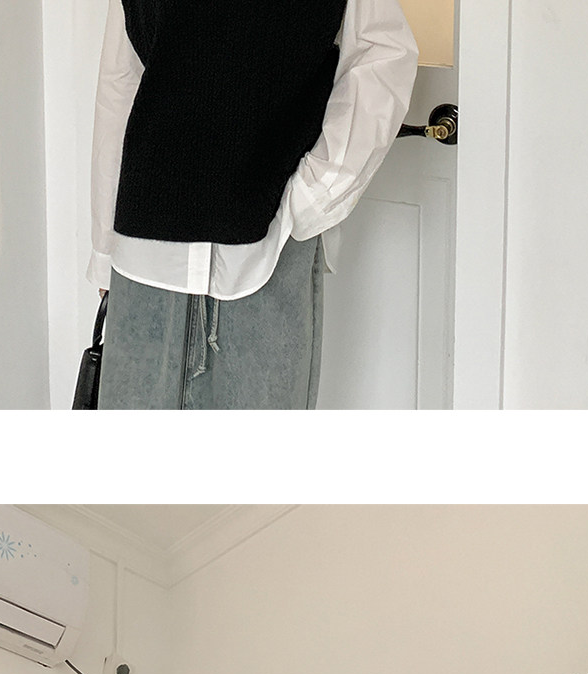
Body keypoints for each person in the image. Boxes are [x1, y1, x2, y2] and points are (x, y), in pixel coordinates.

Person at [89, 0, 420, 410]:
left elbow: (384, 52)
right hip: (144, 253)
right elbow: (121, 80)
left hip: (269, 249)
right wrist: (104, 248)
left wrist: (313, 197)